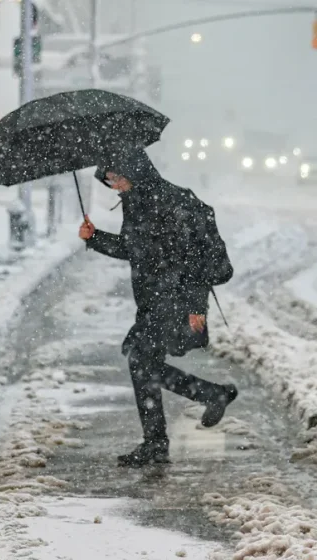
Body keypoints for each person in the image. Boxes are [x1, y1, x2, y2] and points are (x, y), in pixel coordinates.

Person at [79, 146, 237, 467]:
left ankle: (158, 441)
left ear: (135, 172)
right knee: (143, 363)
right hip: (154, 298)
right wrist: (94, 238)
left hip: (176, 298)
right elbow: (133, 249)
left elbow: (193, 258)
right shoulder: (136, 203)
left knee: (141, 360)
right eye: (109, 181)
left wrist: (196, 306)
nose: (115, 185)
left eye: (118, 178)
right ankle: (207, 398)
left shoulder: (169, 201)